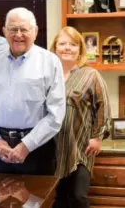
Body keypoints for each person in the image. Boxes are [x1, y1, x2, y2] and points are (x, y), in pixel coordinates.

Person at [0, 7, 66, 175]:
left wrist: (26, 145)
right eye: (13, 29)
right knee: (1, 199)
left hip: (37, 149)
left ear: (35, 31)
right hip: (0, 149)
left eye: (24, 29)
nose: (18, 35)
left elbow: (56, 114)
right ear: (4, 31)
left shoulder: (50, 62)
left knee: (38, 200)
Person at [50, 26, 111, 208]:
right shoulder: (48, 76)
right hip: (52, 149)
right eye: (62, 44)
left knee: (78, 197)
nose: (67, 48)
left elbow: (103, 106)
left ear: (80, 50)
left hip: (81, 149)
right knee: (57, 199)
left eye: (73, 44)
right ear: (55, 48)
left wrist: (97, 137)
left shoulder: (91, 75)